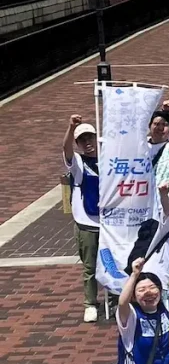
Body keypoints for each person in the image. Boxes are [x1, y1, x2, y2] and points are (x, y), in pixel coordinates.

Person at [63, 114, 100, 322]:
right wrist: (70, 128)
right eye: (82, 140)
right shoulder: (77, 162)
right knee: (90, 266)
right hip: (87, 224)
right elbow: (66, 151)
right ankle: (90, 303)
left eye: (90, 138)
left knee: (113, 265)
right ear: (77, 143)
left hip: (110, 223)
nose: (88, 143)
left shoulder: (109, 159)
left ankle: (114, 300)